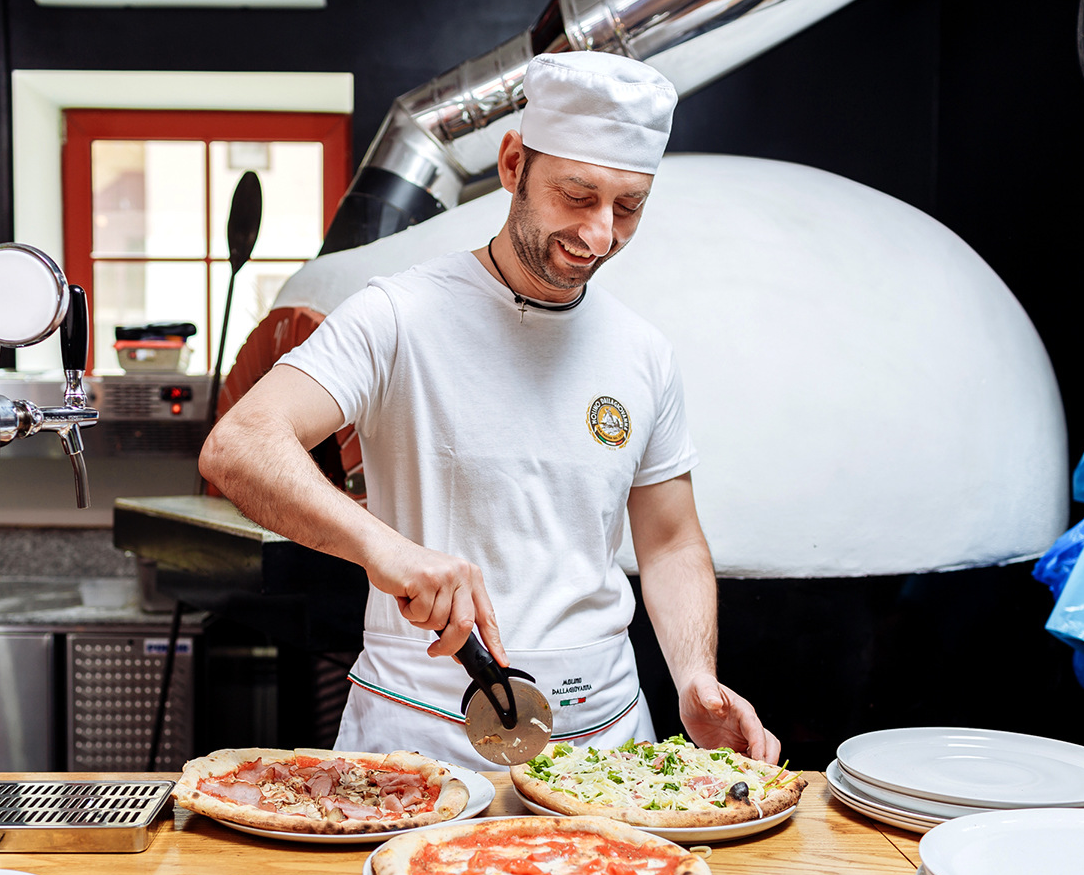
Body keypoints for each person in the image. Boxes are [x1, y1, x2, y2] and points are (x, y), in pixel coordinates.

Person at [200, 51, 780, 769]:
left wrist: (696, 675)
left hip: (604, 743)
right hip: (422, 742)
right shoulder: (398, 315)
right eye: (577, 195)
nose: (600, 235)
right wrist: (388, 551)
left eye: (627, 206)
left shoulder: (644, 352)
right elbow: (240, 445)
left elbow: (669, 542)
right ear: (513, 166)